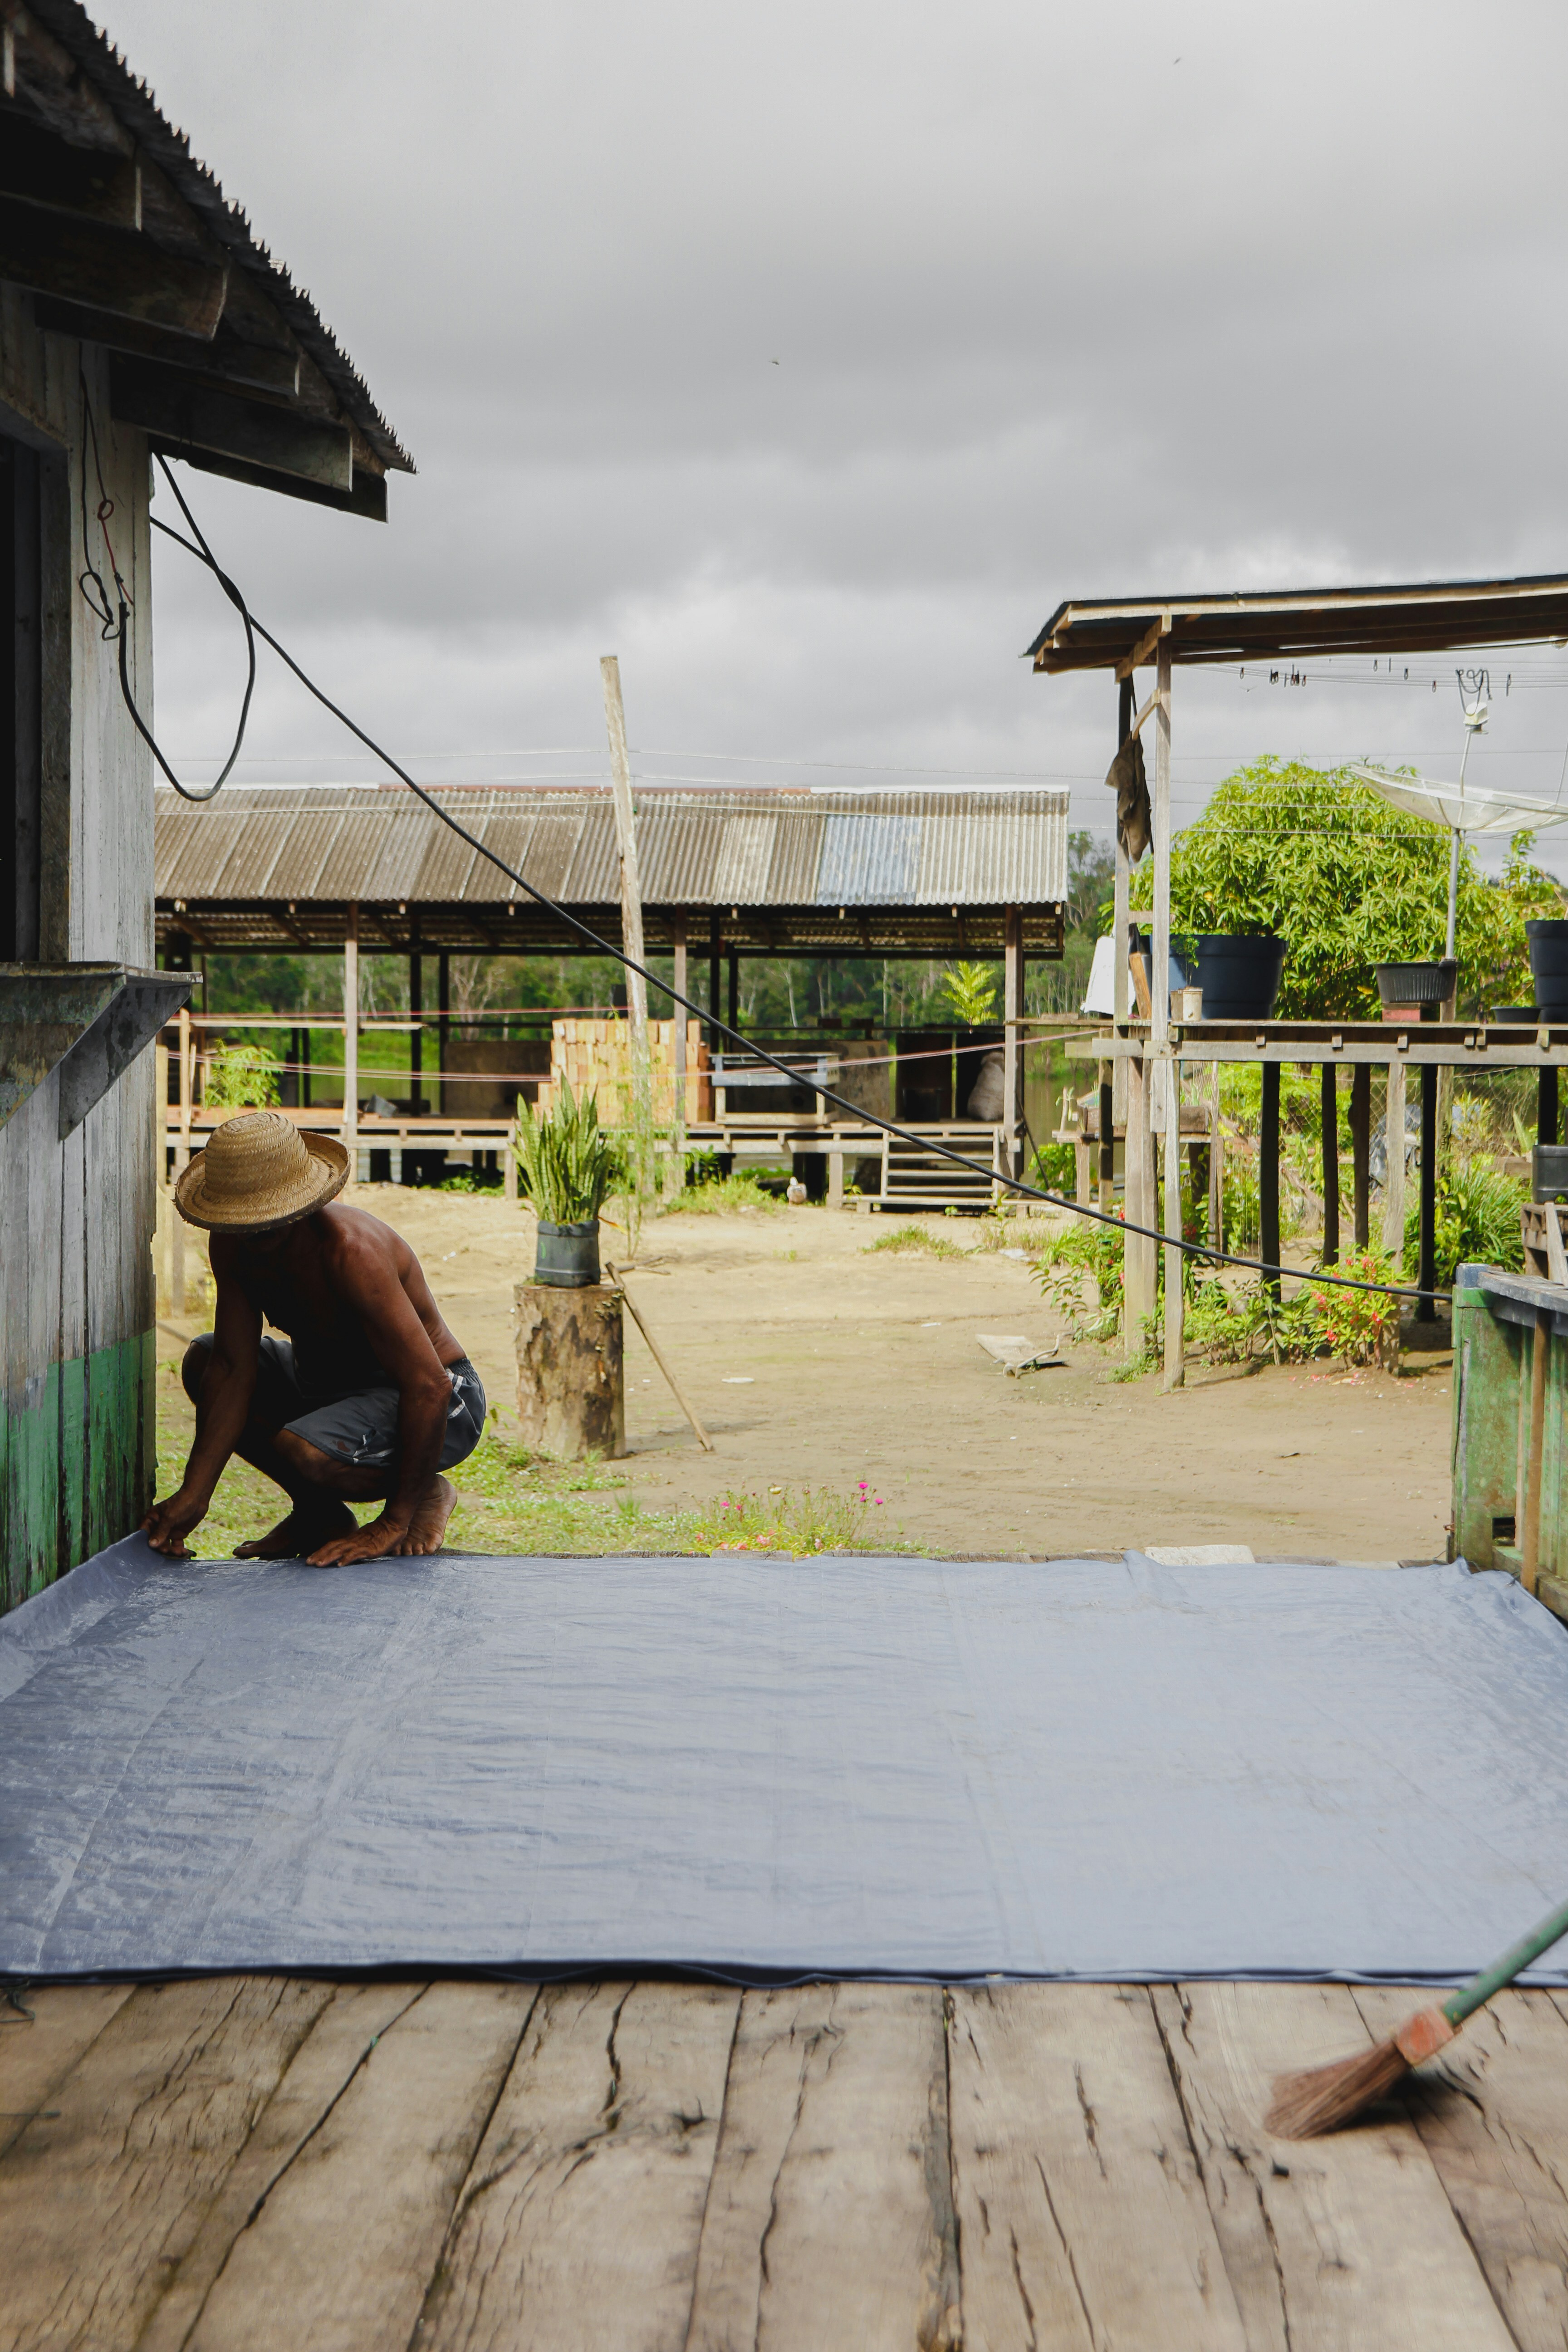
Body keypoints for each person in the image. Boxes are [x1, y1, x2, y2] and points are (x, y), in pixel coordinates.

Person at [143, 1110, 485, 1567]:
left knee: (305, 1451)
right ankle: (320, 1514)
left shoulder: (351, 1253)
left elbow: (429, 1386)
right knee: (204, 1361)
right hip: (323, 1386)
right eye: (245, 1220)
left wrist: (393, 1522)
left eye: (269, 1217)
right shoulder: (234, 1247)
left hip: (438, 1400)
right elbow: (232, 1368)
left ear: (301, 1203)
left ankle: (423, 1490)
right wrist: (195, 1494)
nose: (257, 1231)